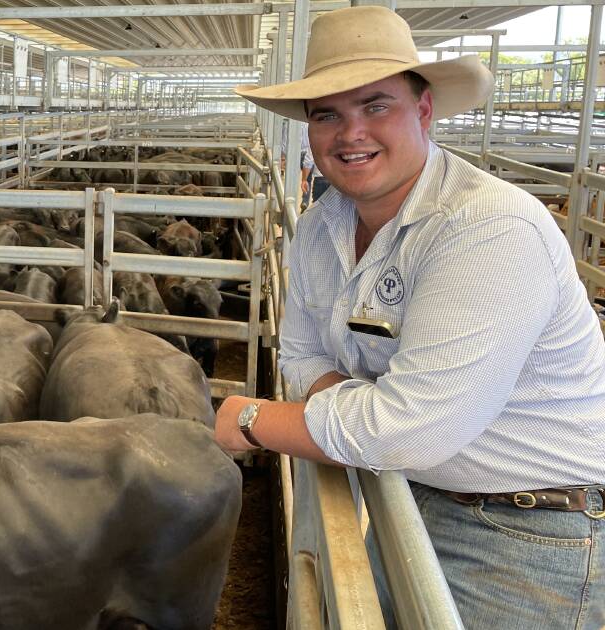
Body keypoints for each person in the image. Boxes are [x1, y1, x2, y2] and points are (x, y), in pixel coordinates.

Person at [224, 6, 605, 629]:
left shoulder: (488, 226)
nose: (351, 134)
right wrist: (360, 421)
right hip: (418, 496)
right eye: (328, 114)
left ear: (423, 110)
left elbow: (411, 430)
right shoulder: (324, 223)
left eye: (376, 106)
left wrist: (251, 418)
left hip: (533, 530)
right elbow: (300, 354)